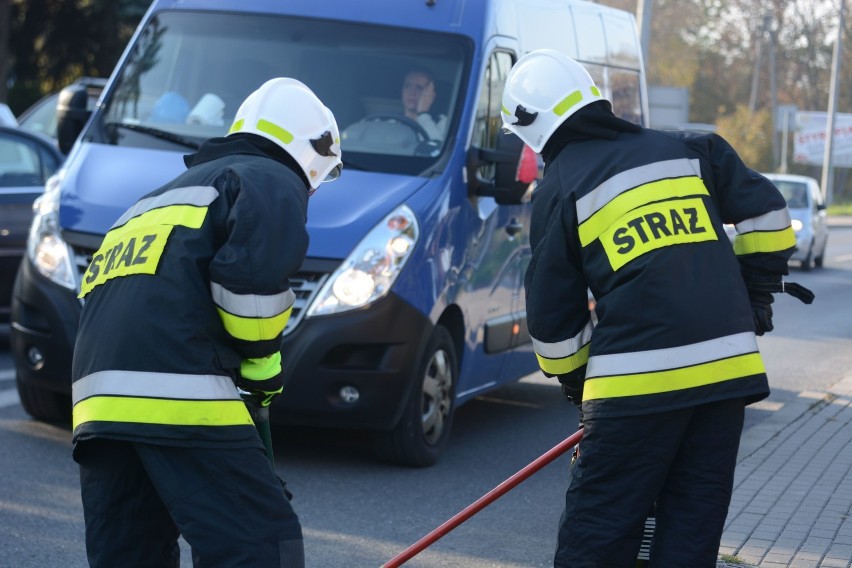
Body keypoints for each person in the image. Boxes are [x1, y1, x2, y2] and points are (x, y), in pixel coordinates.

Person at [501, 49, 813, 568]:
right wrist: (756, 295)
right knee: (690, 535)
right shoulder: (688, 149)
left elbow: (554, 328)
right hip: (725, 377)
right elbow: (771, 216)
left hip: (634, 392)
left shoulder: (561, 186)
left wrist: (581, 392)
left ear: (532, 129)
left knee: (596, 536)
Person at [71, 77, 342, 568]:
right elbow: (250, 286)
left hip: (97, 408)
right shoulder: (268, 177)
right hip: (179, 398)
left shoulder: (152, 201)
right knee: (259, 543)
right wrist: (263, 375)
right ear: (312, 154)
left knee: (130, 552)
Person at [401, 67, 448, 141]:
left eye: (419, 88)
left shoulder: (443, 122)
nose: (412, 93)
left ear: (432, 95)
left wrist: (423, 114)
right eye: (408, 86)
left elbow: (436, 148)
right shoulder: (388, 121)